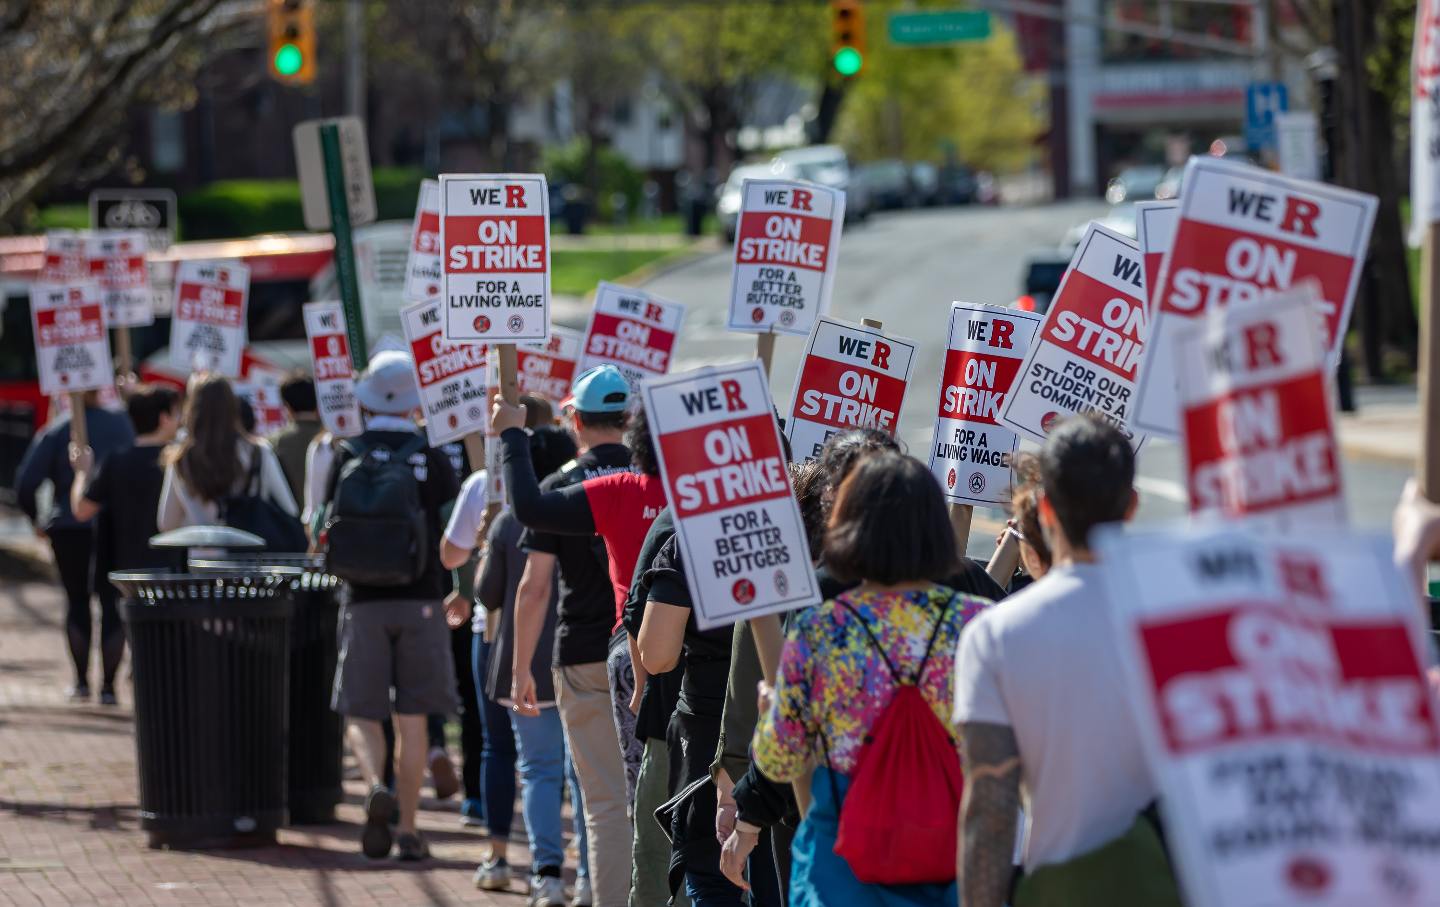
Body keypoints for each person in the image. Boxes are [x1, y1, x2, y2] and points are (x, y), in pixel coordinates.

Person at [752, 452, 991, 905]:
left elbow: (780, 761)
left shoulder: (821, 629)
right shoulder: (979, 625)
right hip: (957, 853)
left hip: (843, 860)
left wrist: (770, 714)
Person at [953, 415, 1155, 907]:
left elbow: (991, 807)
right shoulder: (1177, 621)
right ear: (1131, 506)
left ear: (1044, 510)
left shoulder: (995, 635)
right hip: (1167, 883)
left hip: (1056, 885)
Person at [494, 365, 645, 907]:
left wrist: (520, 669)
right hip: (658, 655)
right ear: (626, 420)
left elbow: (534, 588)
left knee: (603, 802)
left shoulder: (562, 486)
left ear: (575, 419)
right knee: (655, 795)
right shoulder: (661, 485)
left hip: (581, 655)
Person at [320, 350, 461, 862]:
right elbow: (453, 531)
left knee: (361, 711)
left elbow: (319, 521)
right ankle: (407, 827)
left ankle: (374, 786)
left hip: (361, 601)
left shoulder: (344, 451)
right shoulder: (432, 453)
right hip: (422, 600)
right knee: (414, 717)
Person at [447, 425, 591, 905]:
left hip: (524, 661)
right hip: (579, 657)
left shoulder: (512, 521)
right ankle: (590, 875)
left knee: (539, 769)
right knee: (582, 774)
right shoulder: (586, 507)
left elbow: (485, 594)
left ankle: (547, 873)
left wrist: (491, 545)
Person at [15, 389, 134, 701]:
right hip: (114, 526)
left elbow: (26, 482)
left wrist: (37, 520)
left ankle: (81, 683)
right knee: (112, 604)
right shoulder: (123, 424)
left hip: (68, 528)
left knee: (77, 602)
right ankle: (109, 687)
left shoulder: (55, 430)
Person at [66, 385, 182, 700]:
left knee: (115, 621)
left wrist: (81, 474)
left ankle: (107, 688)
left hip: (123, 561)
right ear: (163, 418)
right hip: (171, 564)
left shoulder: (116, 460)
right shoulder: (177, 462)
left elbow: (81, 509)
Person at [157, 375, 297, 533]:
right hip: (250, 550)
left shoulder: (180, 458)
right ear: (232, 406)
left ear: (193, 408)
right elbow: (290, 510)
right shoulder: (258, 451)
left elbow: (167, 524)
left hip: (202, 553)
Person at [270, 370, 322, 506]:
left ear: (286, 405)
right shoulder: (334, 438)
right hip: (328, 521)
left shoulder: (275, 442)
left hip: (289, 522)